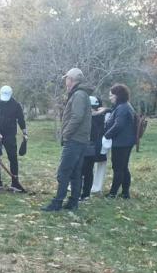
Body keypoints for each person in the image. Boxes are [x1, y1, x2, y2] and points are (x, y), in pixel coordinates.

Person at [43, 67, 91, 212]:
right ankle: (73, 202)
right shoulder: (81, 94)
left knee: (63, 172)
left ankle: (57, 202)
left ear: (71, 80)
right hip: (80, 140)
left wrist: (66, 134)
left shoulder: (78, 95)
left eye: (67, 79)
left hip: (75, 140)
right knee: (75, 173)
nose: (65, 82)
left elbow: (77, 117)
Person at [103, 84, 136, 199]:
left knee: (118, 168)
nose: (110, 98)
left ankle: (113, 193)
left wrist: (107, 135)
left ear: (118, 95)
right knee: (123, 167)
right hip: (126, 141)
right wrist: (106, 110)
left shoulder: (122, 108)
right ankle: (125, 193)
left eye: (111, 95)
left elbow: (119, 125)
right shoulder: (124, 106)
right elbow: (115, 113)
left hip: (121, 143)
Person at [0, 85, 27, 192]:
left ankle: (15, 183)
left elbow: (21, 119)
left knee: (13, 158)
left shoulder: (16, 105)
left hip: (10, 135)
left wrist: (24, 132)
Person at [79, 96, 109, 201]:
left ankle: (83, 194)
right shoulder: (100, 116)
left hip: (90, 146)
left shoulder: (93, 118)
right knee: (88, 171)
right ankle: (85, 193)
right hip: (93, 147)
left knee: (84, 171)